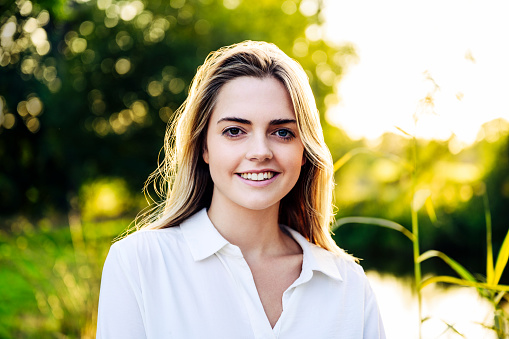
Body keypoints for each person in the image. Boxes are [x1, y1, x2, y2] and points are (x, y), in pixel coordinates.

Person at [96, 41, 385, 338]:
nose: (260, 152)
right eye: (234, 131)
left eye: (282, 132)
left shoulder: (348, 284)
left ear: (304, 151)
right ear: (203, 147)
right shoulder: (139, 264)